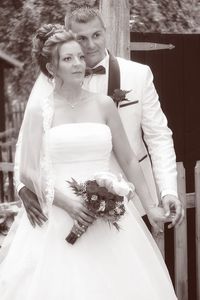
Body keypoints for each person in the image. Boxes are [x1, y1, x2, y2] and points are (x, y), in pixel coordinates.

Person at [0, 24, 177, 299]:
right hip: (57, 216)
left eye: (80, 57)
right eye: (68, 59)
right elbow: (27, 170)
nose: (78, 64)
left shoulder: (104, 105)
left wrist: (152, 207)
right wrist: (69, 204)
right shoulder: (39, 110)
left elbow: (129, 160)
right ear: (51, 68)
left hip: (108, 217)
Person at [14, 7, 184, 230]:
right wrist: (23, 187)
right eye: (81, 38)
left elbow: (159, 137)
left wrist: (168, 190)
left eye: (96, 35)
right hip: (66, 200)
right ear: (68, 36)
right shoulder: (50, 79)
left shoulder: (138, 74)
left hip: (128, 199)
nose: (91, 45)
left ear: (106, 32)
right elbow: (26, 143)